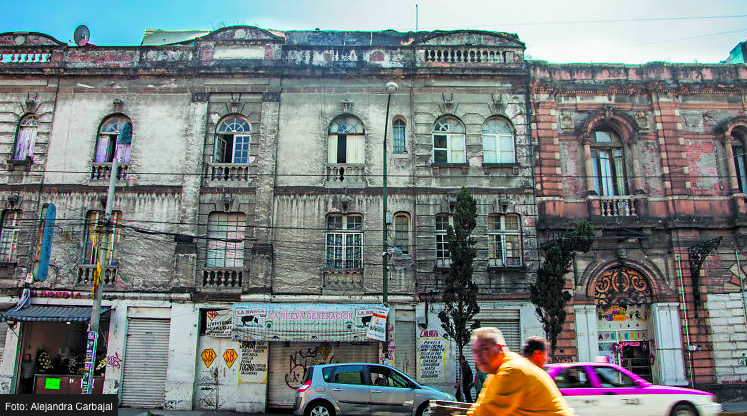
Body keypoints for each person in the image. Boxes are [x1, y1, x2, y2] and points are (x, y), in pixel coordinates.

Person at [467, 327, 573, 416]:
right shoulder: (495, 374)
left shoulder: (512, 371)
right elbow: (482, 406)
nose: (479, 356)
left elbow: (489, 412)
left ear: (499, 348)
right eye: (475, 351)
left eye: (484, 349)